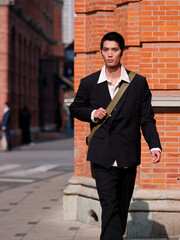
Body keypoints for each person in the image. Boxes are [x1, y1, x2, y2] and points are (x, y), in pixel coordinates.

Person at [69, 32, 162, 240]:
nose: (110, 54)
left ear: (122, 52)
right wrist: (93, 114)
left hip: (128, 154)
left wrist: (154, 145)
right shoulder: (89, 82)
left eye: (114, 50)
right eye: (106, 50)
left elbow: (146, 119)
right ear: (101, 52)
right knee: (109, 205)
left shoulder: (138, 83)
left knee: (120, 207)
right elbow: (75, 108)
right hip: (102, 155)